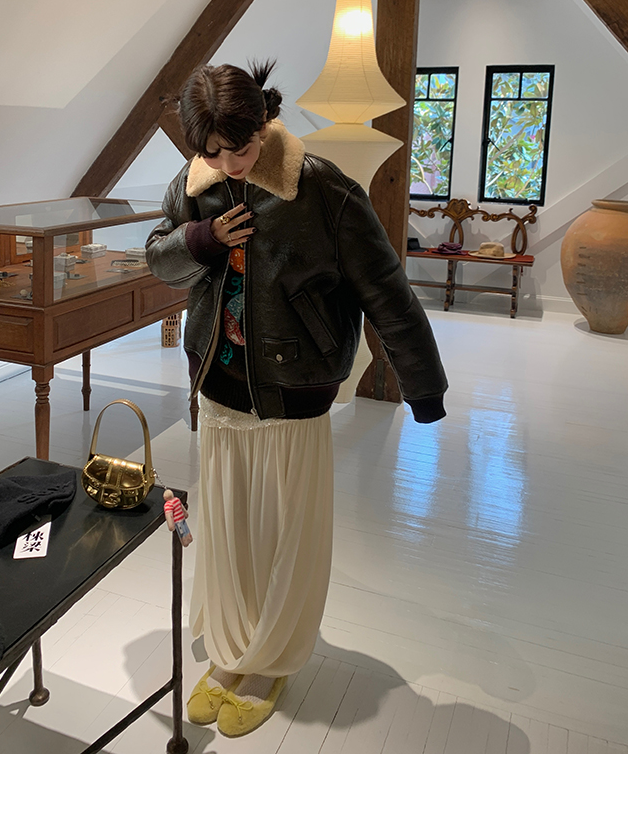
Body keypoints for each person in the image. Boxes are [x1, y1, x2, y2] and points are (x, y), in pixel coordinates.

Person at [145, 60, 447, 737]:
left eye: (240, 148)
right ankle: (232, 650)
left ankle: (271, 660)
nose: (228, 165)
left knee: (285, 534)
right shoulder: (196, 183)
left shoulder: (324, 189)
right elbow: (158, 256)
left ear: (264, 122)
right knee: (227, 527)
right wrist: (203, 239)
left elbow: (387, 293)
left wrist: (423, 388)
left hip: (293, 389)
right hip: (218, 387)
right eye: (212, 153)